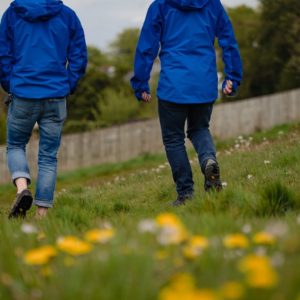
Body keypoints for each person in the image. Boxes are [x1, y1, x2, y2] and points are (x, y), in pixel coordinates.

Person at [131, 0, 243, 206]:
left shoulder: (161, 5)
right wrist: (232, 77)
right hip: (204, 82)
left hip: (173, 85)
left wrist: (140, 83)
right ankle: (209, 161)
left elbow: (147, 46)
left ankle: (185, 194)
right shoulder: (212, 4)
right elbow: (228, 40)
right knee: (200, 128)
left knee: (173, 139)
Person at [0, 0, 87, 218]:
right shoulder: (67, 15)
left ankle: (22, 188)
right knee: (48, 156)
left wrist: (10, 84)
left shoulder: (12, 14)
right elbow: (79, 55)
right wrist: (69, 84)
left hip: (23, 93)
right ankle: (42, 215)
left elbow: (3, 53)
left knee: (15, 145)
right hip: (56, 94)